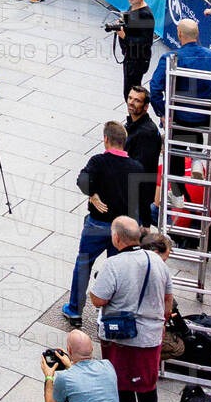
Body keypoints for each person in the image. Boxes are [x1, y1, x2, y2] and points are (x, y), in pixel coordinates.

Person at [62, 121, 150, 320]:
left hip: (97, 224)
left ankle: (75, 309)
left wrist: (92, 194)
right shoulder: (136, 167)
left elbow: (82, 180)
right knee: (117, 269)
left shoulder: (98, 161)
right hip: (124, 229)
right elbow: (143, 200)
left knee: (84, 263)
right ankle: (111, 313)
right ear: (124, 142)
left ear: (106, 139)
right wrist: (144, 226)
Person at [116, 0, 156, 97]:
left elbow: (146, 41)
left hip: (138, 59)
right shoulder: (132, 7)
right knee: (127, 90)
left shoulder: (145, 14)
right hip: (129, 55)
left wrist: (124, 36)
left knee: (132, 91)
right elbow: (132, 27)